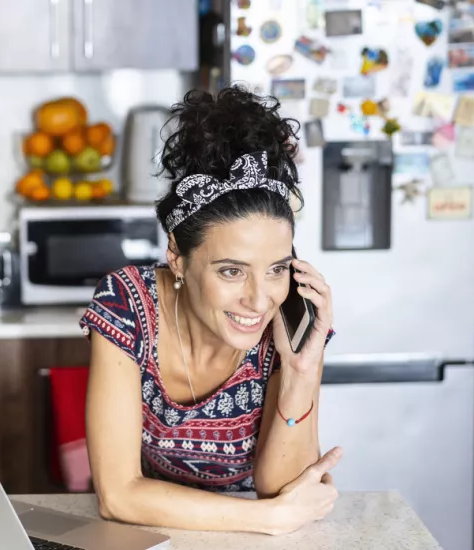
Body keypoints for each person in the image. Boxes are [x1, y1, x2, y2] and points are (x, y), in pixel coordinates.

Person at [79, 86, 342, 535]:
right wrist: (267, 518)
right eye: (231, 272)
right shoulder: (126, 305)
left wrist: (301, 370)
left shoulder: (290, 322)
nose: (259, 301)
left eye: (277, 268)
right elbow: (118, 495)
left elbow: (280, 489)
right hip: (151, 537)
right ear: (178, 257)